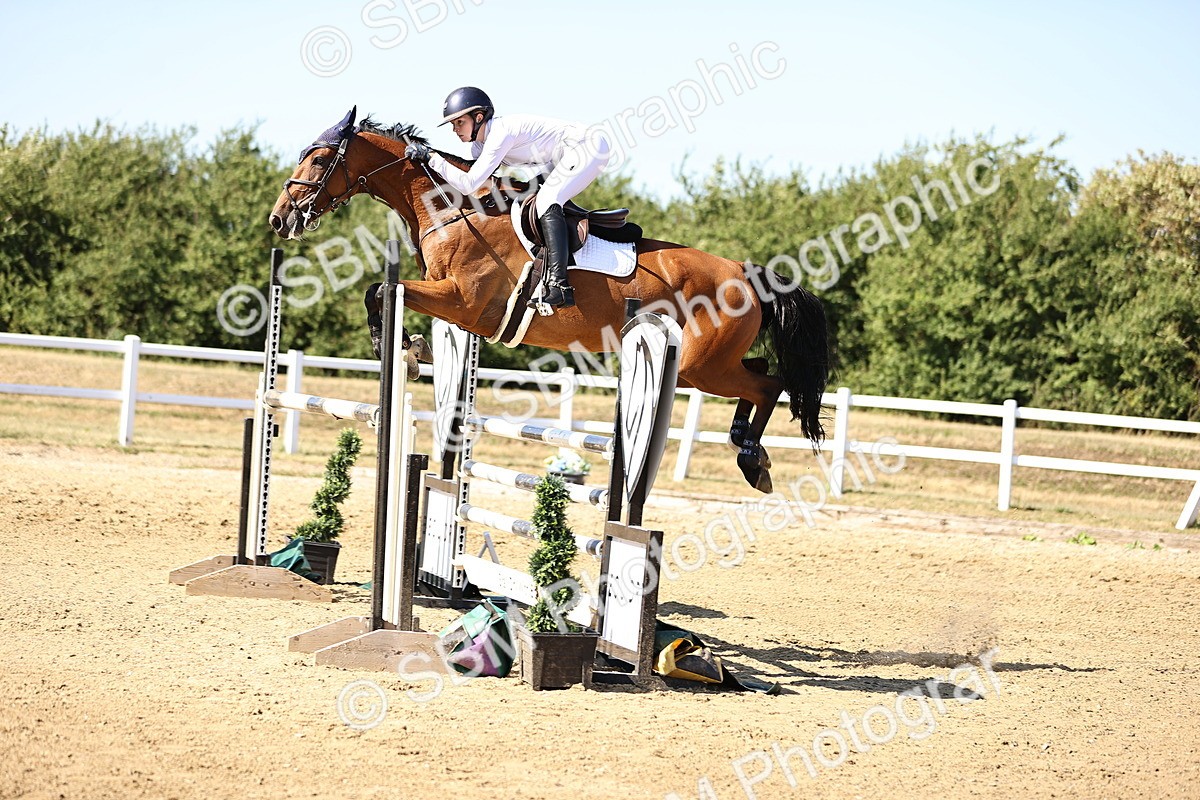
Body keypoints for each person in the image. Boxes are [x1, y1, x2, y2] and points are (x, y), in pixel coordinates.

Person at [404, 87, 611, 309]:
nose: (455, 130)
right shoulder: (479, 146)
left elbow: (468, 184)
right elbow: (478, 180)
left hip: (587, 147)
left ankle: (560, 285)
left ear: (479, 117)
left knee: (547, 200)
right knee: (535, 197)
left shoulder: (501, 132)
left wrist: (432, 157)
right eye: (453, 125)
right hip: (559, 157)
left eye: (459, 122)